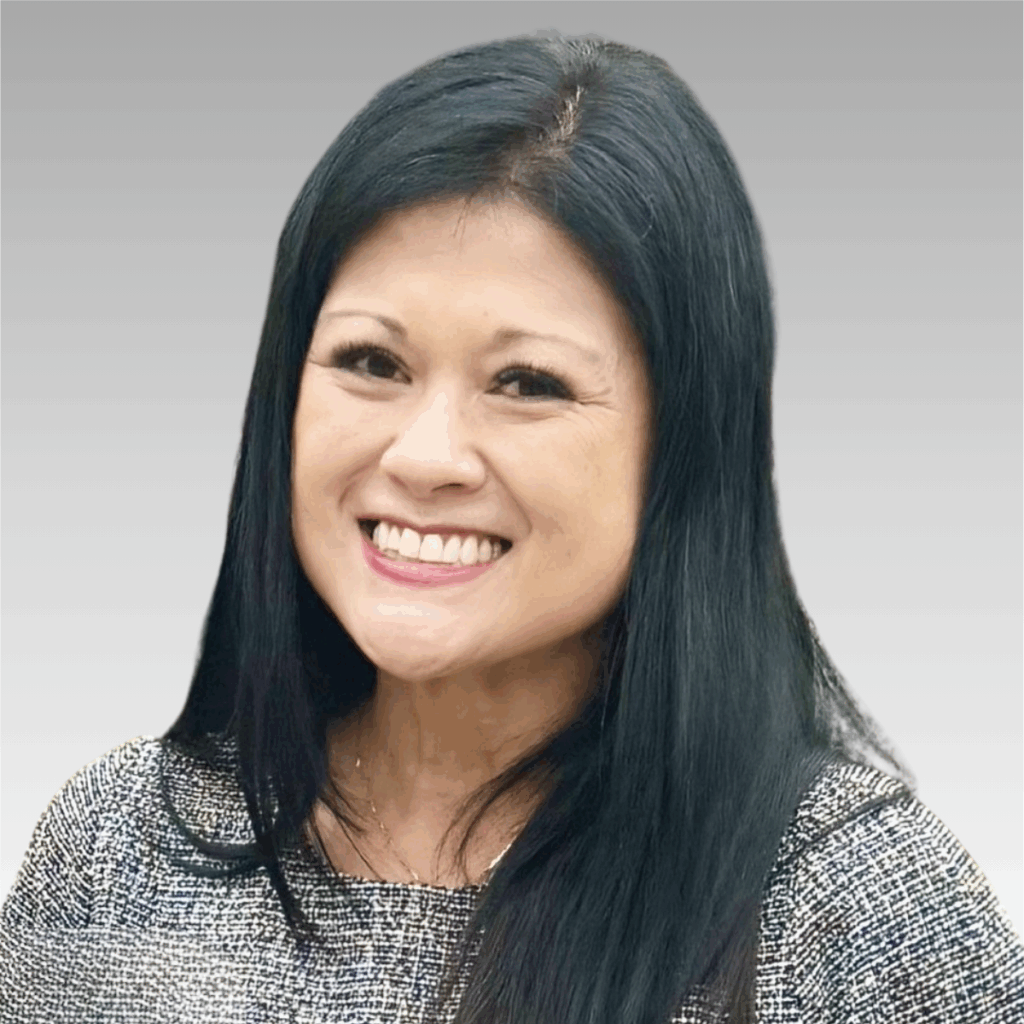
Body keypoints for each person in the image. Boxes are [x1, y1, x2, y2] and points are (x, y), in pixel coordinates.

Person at [2, 29, 1021, 1024]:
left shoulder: (850, 910)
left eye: (527, 382)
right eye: (372, 363)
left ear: (685, 445)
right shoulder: (117, 849)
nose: (424, 457)